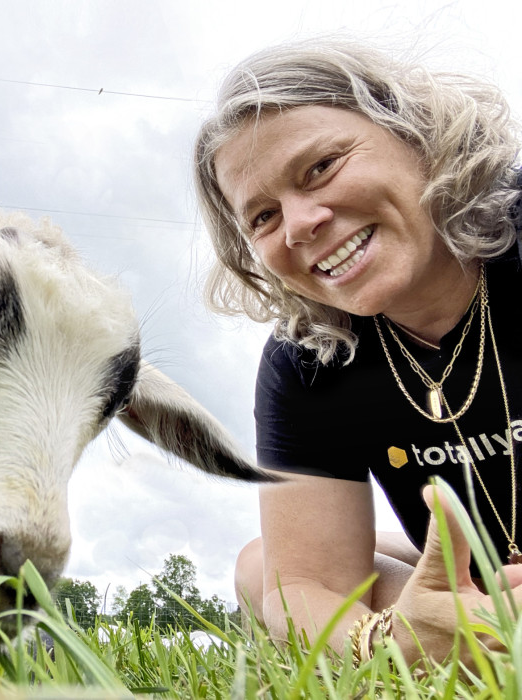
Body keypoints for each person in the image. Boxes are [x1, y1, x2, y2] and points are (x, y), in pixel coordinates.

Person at [193, 38, 522, 664]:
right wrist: (389, 640)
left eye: (321, 167)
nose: (298, 225)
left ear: (418, 134)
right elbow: (303, 586)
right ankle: (464, 631)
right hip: (478, 575)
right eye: (262, 217)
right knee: (260, 566)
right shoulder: (307, 359)